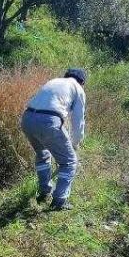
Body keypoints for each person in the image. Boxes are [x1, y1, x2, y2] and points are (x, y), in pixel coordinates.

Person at [21, 68, 87, 211]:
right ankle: (59, 201)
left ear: (66, 76)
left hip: (27, 118)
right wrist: (74, 144)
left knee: (43, 154)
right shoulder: (78, 89)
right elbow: (78, 122)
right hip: (48, 121)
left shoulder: (54, 81)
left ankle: (45, 191)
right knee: (69, 162)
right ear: (82, 83)